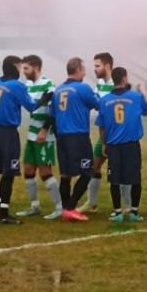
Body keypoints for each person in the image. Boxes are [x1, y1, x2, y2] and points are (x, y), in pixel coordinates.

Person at [0, 55, 50, 224]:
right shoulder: (17, 85)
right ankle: (4, 214)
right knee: (9, 174)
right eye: (19, 66)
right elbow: (31, 106)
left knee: (3, 173)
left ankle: (1, 208)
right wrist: (44, 99)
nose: (21, 70)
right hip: (9, 133)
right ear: (14, 66)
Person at [50, 57, 102, 222]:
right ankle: (71, 207)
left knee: (65, 174)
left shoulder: (58, 90)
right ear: (78, 70)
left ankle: (66, 210)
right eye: (84, 70)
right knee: (88, 171)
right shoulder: (82, 88)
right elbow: (98, 104)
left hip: (61, 136)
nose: (85, 73)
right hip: (78, 136)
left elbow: (52, 115)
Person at [99, 66, 147, 223]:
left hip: (113, 146)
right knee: (135, 178)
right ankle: (135, 212)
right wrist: (142, 90)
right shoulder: (135, 97)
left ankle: (118, 213)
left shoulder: (105, 100)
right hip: (131, 145)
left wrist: (104, 144)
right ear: (124, 79)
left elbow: (101, 126)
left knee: (114, 180)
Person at [15, 55, 61, 219]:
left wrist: (44, 130)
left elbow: (54, 111)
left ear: (35, 67)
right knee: (28, 170)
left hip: (44, 134)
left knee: (45, 172)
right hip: (31, 134)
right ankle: (34, 206)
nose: (23, 72)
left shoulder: (48, 85)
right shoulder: (27, 85)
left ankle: (59, 207)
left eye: (26, 68)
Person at [84, 52, 116, 213]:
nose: (94, 69)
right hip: (103, 134)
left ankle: (127, 206)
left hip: (117, 135)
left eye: (97, 66)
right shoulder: (99, 85)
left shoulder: (116, 84)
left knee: (119, 170)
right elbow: (96, 105)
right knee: (93, 166)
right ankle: (91, 203)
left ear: (107, 66)